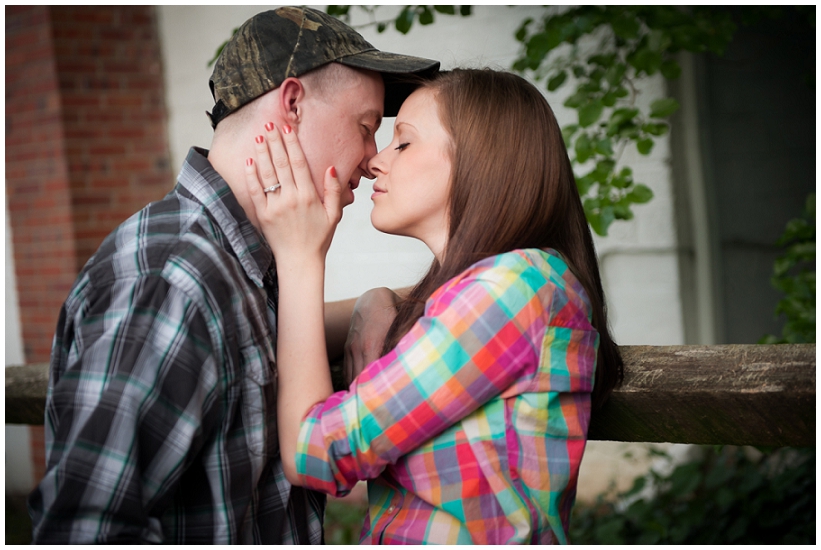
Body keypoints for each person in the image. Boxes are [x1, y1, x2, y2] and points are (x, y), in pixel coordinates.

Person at [28, 7, 438, 544]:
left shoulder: (230, 259)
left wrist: (378, 301)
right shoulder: (169, 279)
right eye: (365, 128)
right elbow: (86, 527)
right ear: (291, 104)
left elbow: (258, 347)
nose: (371, 157)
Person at [244, 68, 624, 544]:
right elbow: (279, 333)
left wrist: (300, 258)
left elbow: (314, 452)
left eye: (402, 142)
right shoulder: (492, 290)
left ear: (481, 161)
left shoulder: (513, 288)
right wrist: (373, 302)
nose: (376, 161)